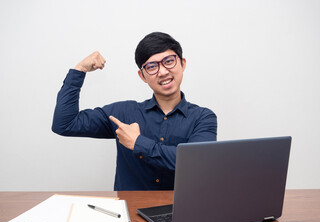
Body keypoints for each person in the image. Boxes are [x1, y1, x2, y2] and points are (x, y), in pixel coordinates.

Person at [52, 32, 217, 190]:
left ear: (183, 64)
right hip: (130, 212)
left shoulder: (203, 118)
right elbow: (65, 124)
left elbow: (198, 164)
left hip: (182, 213)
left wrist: (138, 143)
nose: (163, 71)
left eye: (169, 61)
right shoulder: (124, 113)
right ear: (142, 76)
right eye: (152, 66)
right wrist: (79, 70)